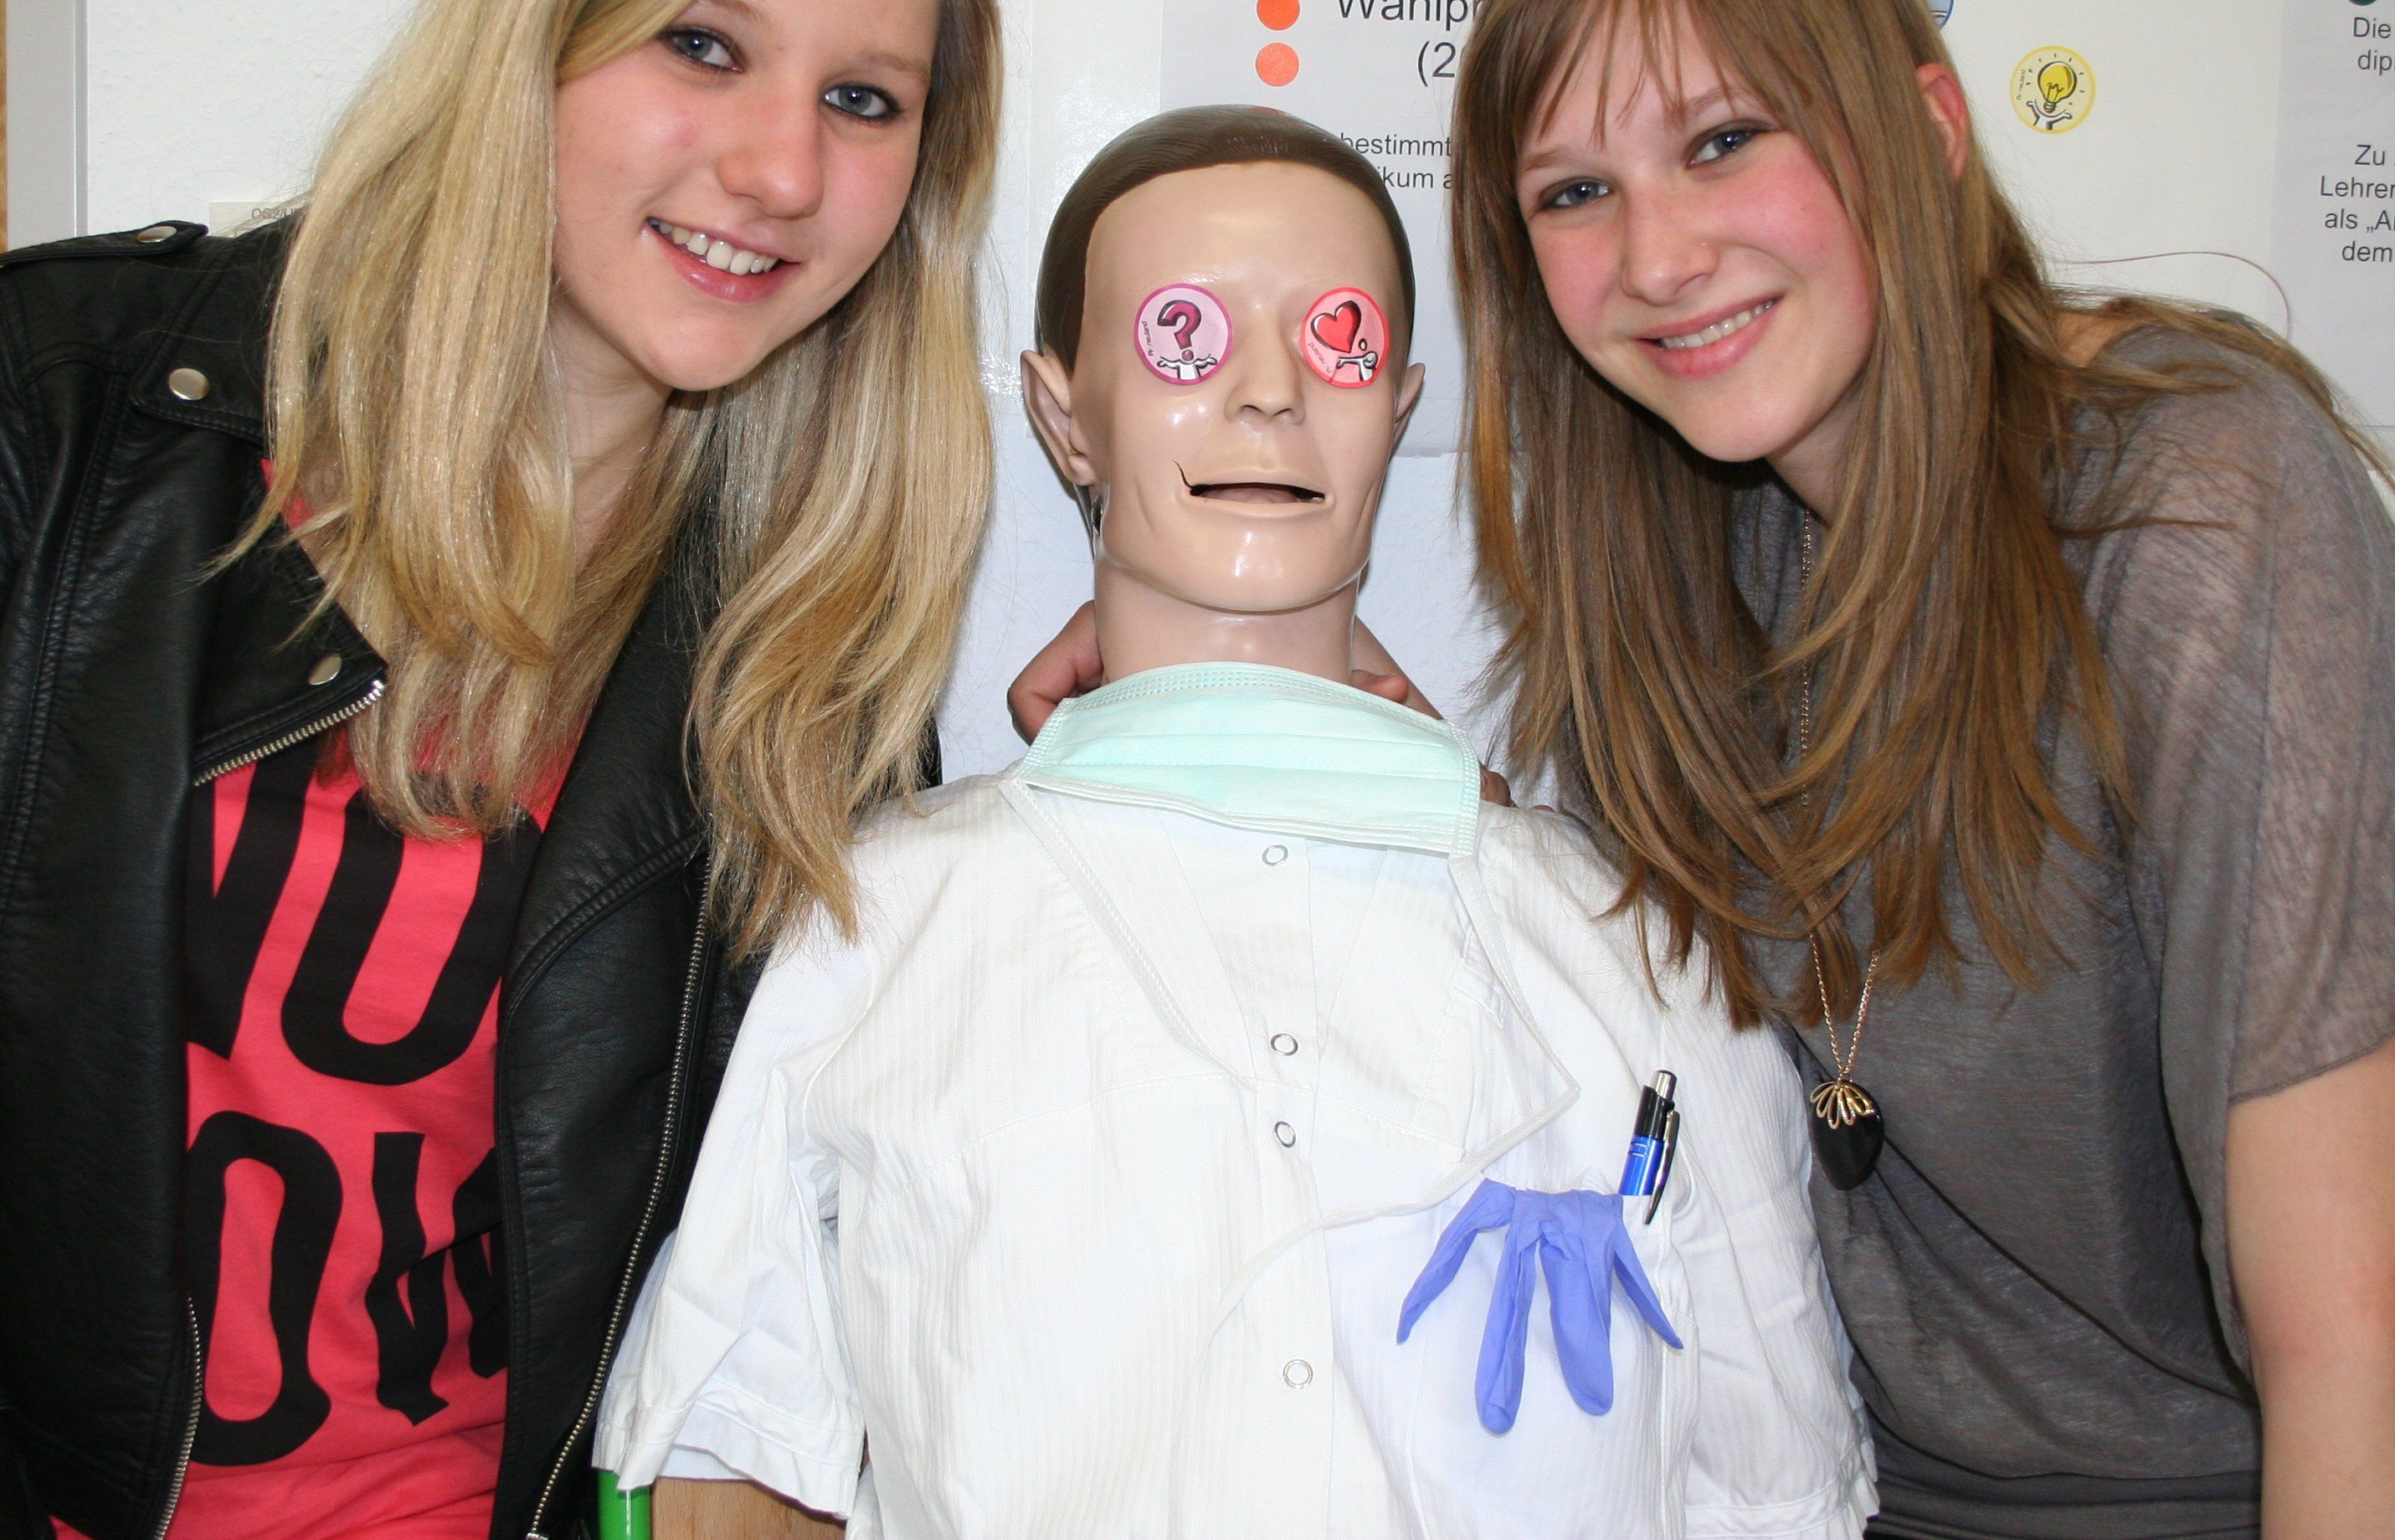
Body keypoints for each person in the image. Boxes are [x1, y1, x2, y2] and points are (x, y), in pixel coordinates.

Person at [1015, 0, 2395, 1538]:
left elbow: (2371, 1358)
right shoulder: (1683, 554)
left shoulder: (2196, 509)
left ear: (1927, 137)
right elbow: (1625, 977)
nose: (1658, 256)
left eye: (1723, 141)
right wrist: (1244, 694)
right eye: (1574, 192)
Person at [0, 0, 997, 1540]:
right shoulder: (73, 409)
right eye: (703, 44)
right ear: (534, 36)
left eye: (864, 100)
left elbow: (824, 1232)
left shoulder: (818, 646)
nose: (782, 168)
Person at [601, 108, 1874, 1537]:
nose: (1270, 397)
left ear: (1398, 407)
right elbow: (735, 1444)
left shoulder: (1630, 948)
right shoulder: (880, 924)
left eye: (1337, 339)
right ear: (1065, 415)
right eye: (1186, 336)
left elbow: (1776, 1488)